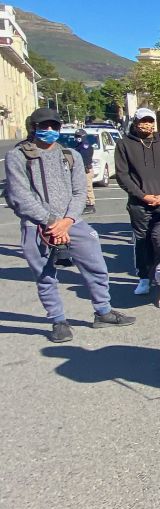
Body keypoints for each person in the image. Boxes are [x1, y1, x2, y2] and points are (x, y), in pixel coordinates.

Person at [5, 108, 136, 342]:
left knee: (96, 265)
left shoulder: (70, 155)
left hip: (71, 222)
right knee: (45, 275)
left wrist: (66, 222)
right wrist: (50, 222)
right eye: (43, 126)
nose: (49, 131)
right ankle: (58, 321)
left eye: (53, 126)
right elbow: (20, 196)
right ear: (32, 127)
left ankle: (103, 311)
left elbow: (80, 192)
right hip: (37, 226)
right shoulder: (18, 157)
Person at [115, 108, 160, 295]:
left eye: (150, 121)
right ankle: (144, 277)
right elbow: (122, 175)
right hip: (139, 203)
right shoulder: (124, 144)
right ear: (135, 122)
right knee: (142, 241)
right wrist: (142, 196)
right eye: (143, 121)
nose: (147, 124)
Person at [73, 128, 96, 214]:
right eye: (76, 136)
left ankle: (90, 205)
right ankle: (85, 204)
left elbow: (85, 157)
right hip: (80, 169)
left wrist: (85, 166)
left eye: (79, 136)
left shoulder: (85, 145)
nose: (77, 138)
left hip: (86, 169)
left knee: (88, 187)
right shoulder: (78, 145)